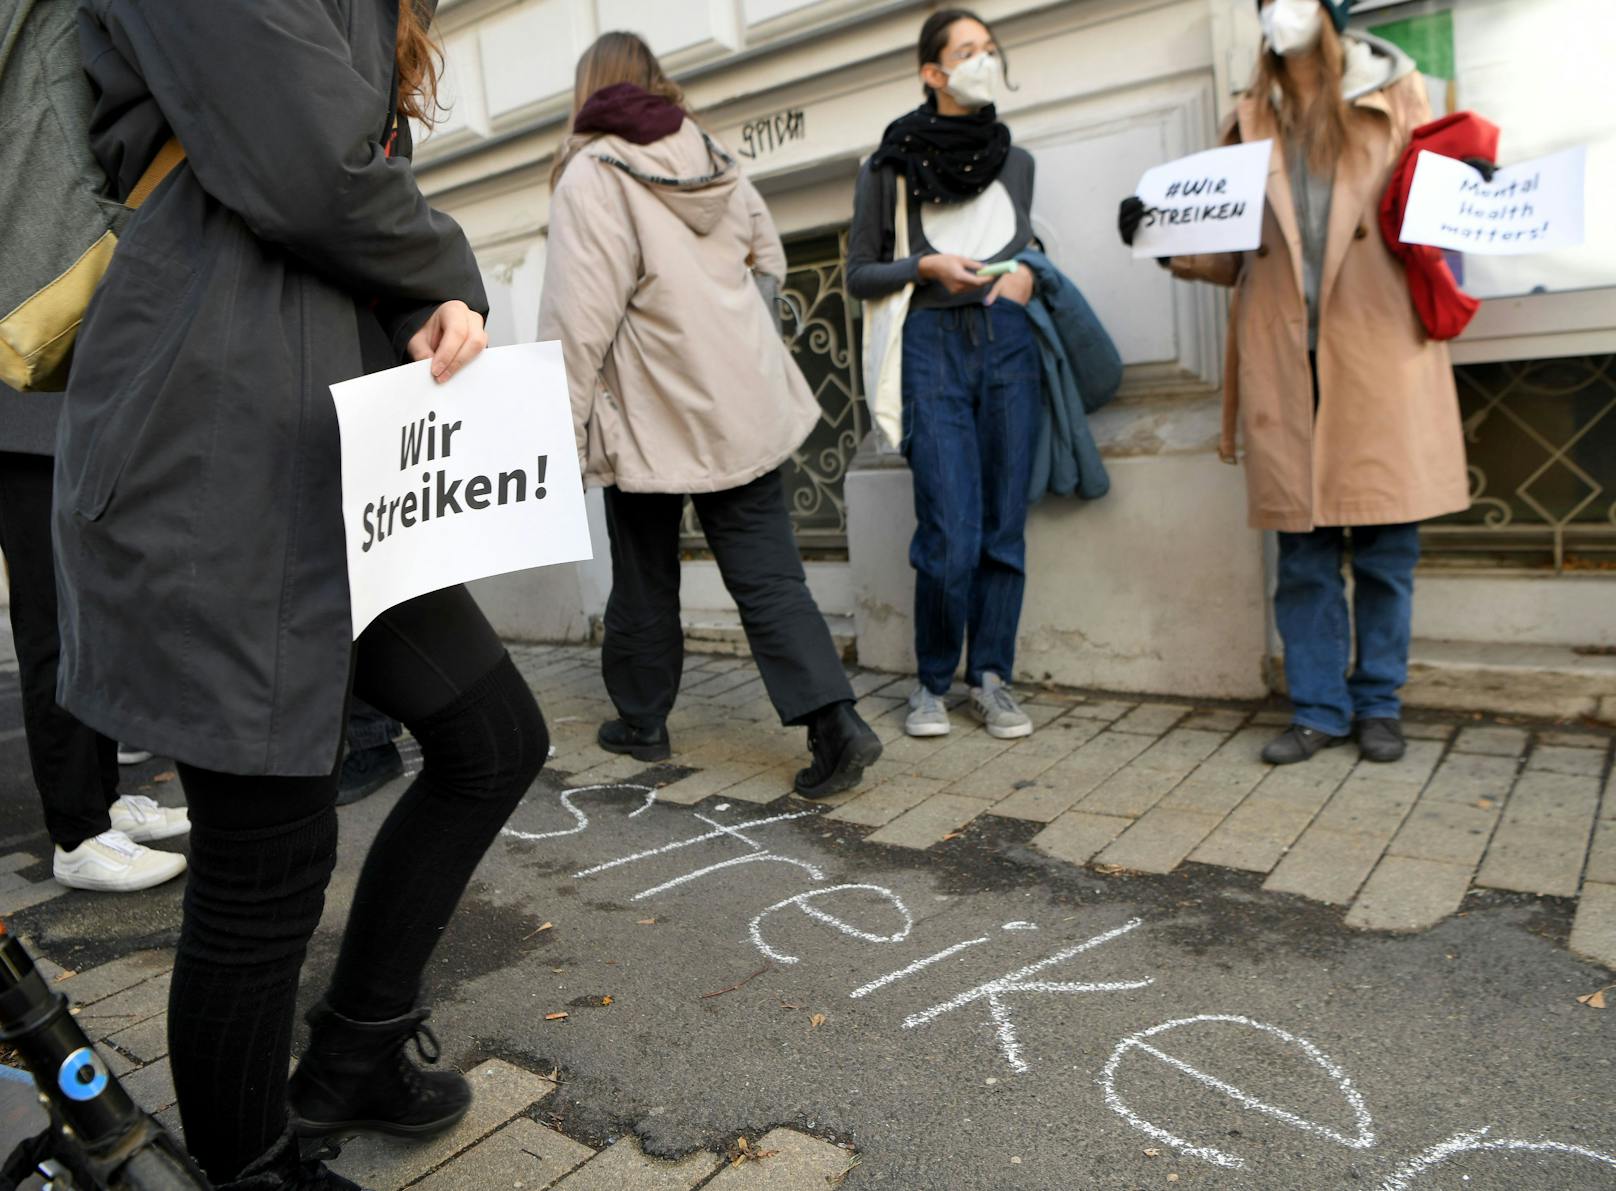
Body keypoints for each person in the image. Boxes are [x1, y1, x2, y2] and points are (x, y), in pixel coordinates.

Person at [61, 2, 548, 1185]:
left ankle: (355, 1057)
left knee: (490, 736)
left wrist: (422, 307)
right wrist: (438, 270)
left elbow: (333, 179)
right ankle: (250, 1164)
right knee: (265, 854)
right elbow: (303, 164)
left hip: (331, 438)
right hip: (217, 432)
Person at [1117, 0, 1470, 765]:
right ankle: (1318, 709)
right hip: (1287, 360)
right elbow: (1227, 248)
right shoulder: (1250, 116)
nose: (1278, 13)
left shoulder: (1399, 95)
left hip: (1377, 353)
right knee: (1303, 560)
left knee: (1384, 549)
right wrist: (1157, 232)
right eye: (1266, 2)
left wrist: (1473, 193)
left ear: (1331, 12)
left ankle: (1378, 704)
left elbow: (1442, 217)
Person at [539, 32, 882, 799]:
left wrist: (553, 440)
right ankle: (837, 725)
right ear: (656, 82)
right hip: (741, 404)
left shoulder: (591, 174)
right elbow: (770, 257)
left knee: (645, 574)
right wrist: (735, 336)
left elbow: (577, 321)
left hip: (650, 412)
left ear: (588, 90)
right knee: (770, 576)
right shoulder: (712, 155)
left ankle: (642, 722)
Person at [845, 9, 1043, 743]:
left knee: (1003, 528)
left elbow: (1025, 249)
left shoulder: (1015, 161)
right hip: (929, 340)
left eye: (989, 50)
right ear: (934, 72)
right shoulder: (890, 164)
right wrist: (923, 265)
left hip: (1008, 341)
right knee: (950, 529)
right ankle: (932, 681)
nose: (983, 61)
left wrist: (1028, 275)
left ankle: (991, 676)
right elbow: (859, 272)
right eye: (968, 52)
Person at [0, 388, 188, 893]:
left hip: (80, 412)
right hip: (24, 412)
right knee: (56, 624)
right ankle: (78, 837)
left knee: (94, 618)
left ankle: (101, 801)